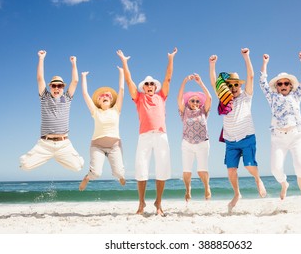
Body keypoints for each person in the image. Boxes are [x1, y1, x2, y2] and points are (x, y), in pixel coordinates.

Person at [117, 47, 178, 216]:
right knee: (141, 169)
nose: (149, 86)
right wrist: (124, 62)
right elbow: (129, 82)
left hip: (161, 135)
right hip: (144, 136)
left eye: (152, 84)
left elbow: (168, 77)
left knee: (162, 169)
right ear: (143, 87)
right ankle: (141, 203)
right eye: (146, 84)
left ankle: (158, 203)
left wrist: (171, 58)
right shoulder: (139, 98)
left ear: (155, 87)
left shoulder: (161, 96)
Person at [209, 48, 267, 213]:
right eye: (230, 85)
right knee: (231, 170)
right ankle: (237, 194)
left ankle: (257, 179)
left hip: (247, 137)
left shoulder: (246, 97)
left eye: (236, 85)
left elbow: (251, 76)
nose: (233, 87)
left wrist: (246, 57)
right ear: (226, 87)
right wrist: (212, 65)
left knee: (249, 166)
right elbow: (214, 82)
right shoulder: (224, 99)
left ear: (239, 86)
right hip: (230, 141)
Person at [20, 50, 84, 172]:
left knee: (78, 167)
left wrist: (74, 63)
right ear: (50, 87)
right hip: (45, 144)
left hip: (64, 144)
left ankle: (59, 157)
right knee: (25, 165)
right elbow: (40, 78)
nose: (56, 88)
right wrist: (41, 58)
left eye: (59, 86)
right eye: (54, 86)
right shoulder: (45, 97)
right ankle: (50, 156)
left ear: (63, 88)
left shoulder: (67, 98)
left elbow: (75, 81)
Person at [259, 51, 301, 200]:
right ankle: (284, 184)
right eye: (280, 84)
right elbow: (262, 83)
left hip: (297, 135)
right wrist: (265, 63)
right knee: (275, 169)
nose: (283, 85)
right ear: (277, 86)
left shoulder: (296, 95)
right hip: (278, 138)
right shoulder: (272, 97)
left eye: (286, 83)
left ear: (290, 85)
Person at [78, 66, 126, 191]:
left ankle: (120, 176)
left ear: (111, 101)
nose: (104, 96)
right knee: (96, 174)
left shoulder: (116, 110)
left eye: (107, 96)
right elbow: (85, 94)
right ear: (98, 102)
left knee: (119, 173)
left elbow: (121, 89)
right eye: (101, 96)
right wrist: (83, 77)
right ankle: (87, 177)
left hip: (114, 146)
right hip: (97, 146)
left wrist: (122, 72)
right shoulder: (95, 112)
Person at [177, 73, 212, 202]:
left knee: (201, 170)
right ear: (188, 102)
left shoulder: (203, 111)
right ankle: (188, 190)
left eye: (197, 101)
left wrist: (200, 82)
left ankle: (207, 187)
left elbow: (209, 97)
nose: (195, 103)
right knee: (187, 171)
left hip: (202, 143)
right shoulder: (184, 111)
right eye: (192, 100)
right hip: (187, 144)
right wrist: (184, 81)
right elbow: (179, 97)